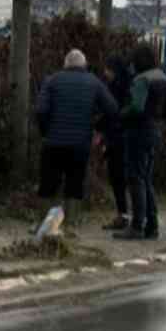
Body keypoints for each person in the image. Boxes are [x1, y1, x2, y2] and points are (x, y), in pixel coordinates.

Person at [35, 49, 118, 233]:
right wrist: (98, 127)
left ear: (65, 64)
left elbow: (40, 110)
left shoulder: (52, 81)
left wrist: (45, 132)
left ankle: (44, 224)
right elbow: (112, 109)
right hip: (80, 143)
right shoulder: (94, 82)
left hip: (53, 143)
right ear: (84, 65)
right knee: (75, 182)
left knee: (48, 183)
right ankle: (72, 225)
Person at [113, 44, 166, 241]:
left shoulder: (141, 79)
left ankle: (137, 226)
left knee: (135, 179)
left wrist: (121, 114)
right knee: (146, 179)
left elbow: (137, 107)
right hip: (155, 132)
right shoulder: (163, 78)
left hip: (138, 132)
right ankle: (152, 225)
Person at [100, 55, 133, 231]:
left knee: (118, 178)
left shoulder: (115, 88)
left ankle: (124, 215)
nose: (105, 72)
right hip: (123, 137)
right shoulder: (127, 85)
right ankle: (127, 215)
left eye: (107, 69)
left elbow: (110, 113)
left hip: (117, 138)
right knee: (123, 178)